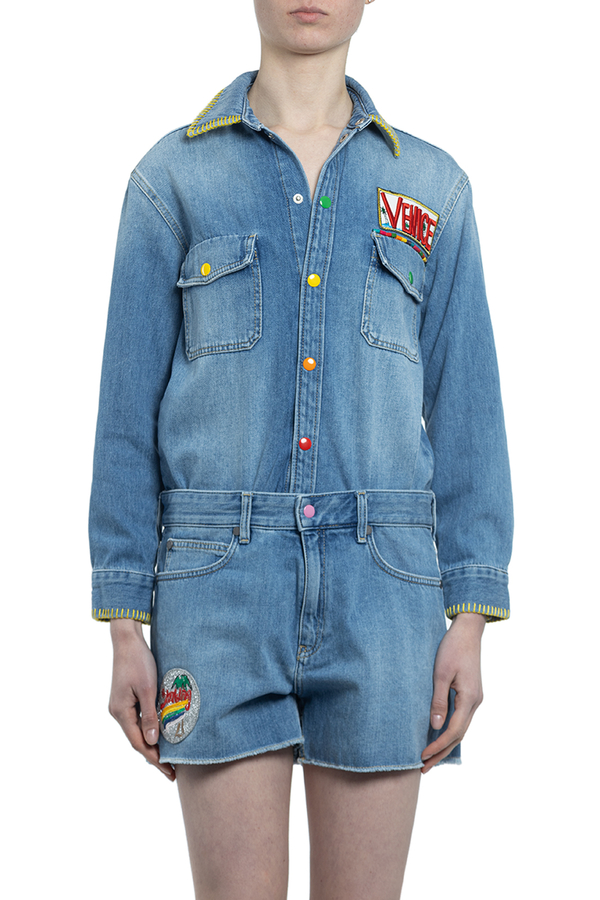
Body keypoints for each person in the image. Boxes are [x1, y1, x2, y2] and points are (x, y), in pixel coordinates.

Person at [89, 1, 513, 897]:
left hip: (384, 599)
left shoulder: (432, 190)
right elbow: (124, 420)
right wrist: (124, 624)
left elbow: (469, 413)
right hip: (217, 595)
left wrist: (471, 617)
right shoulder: (172, 181)